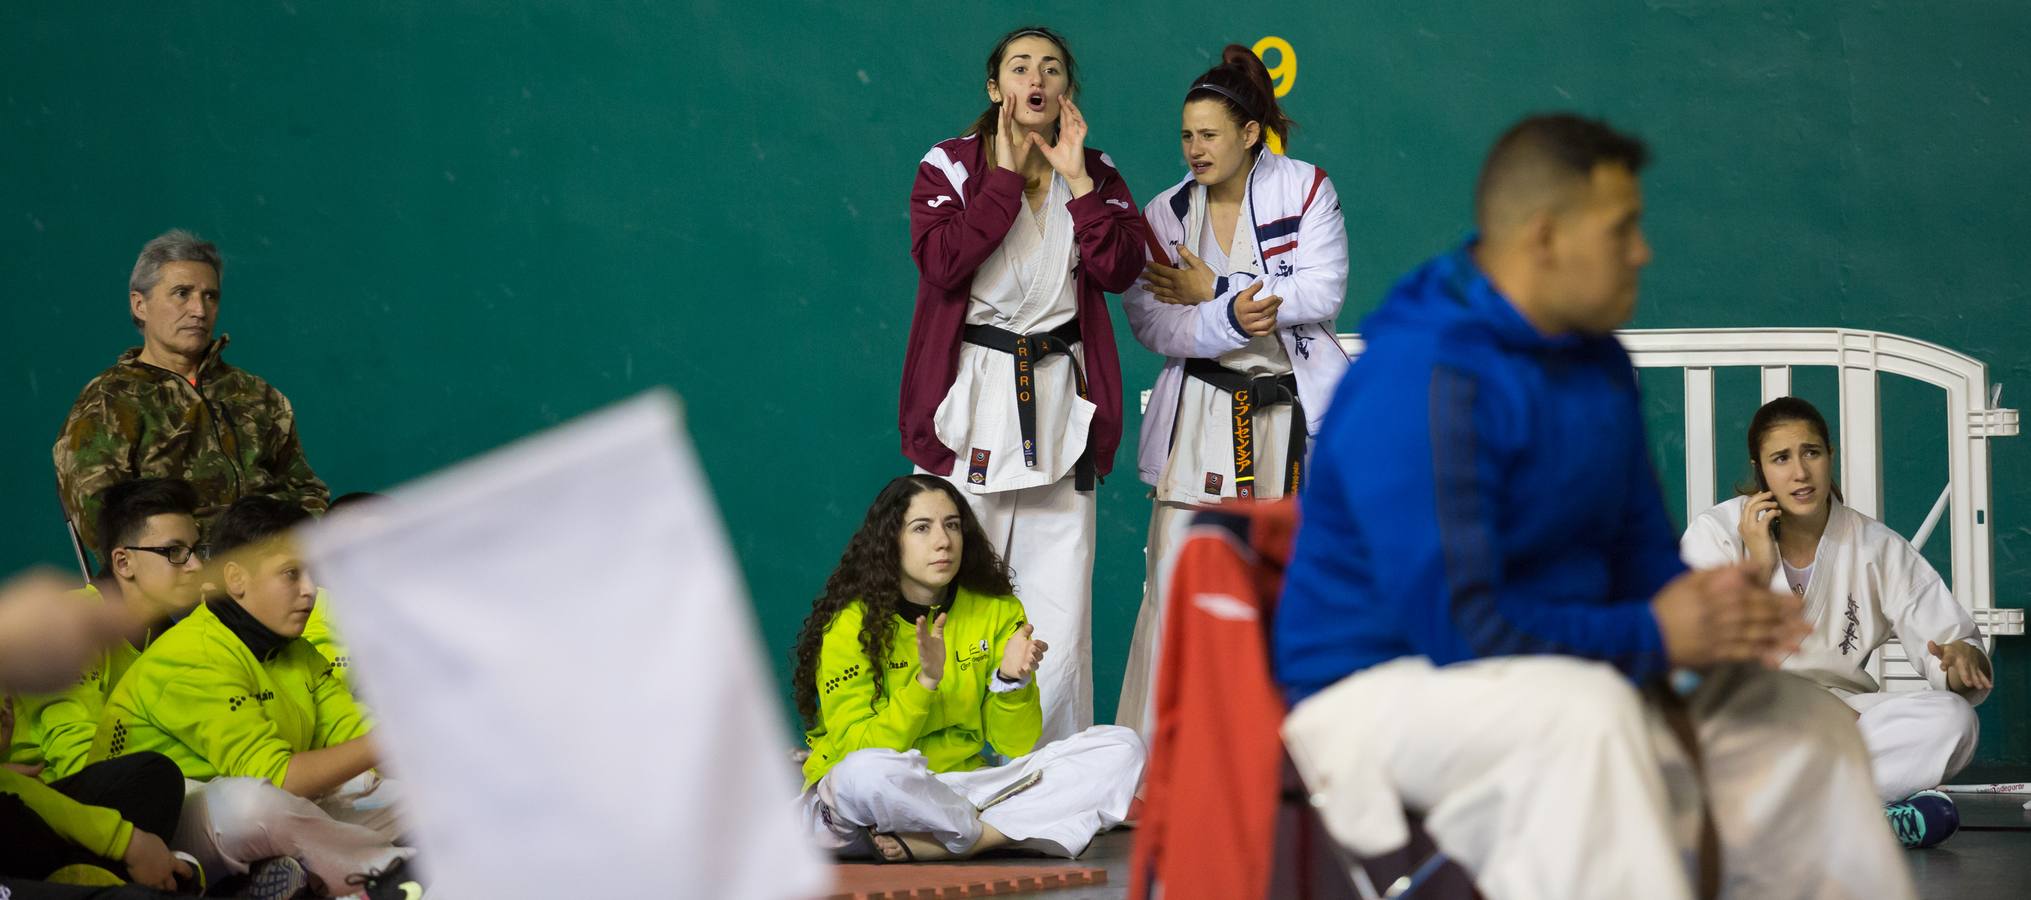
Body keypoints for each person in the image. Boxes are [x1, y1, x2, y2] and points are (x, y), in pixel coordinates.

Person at [1273, 113, 1915, 899]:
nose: (1641, 252)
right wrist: (1653, 632)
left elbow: (1641, 554)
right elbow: (1457, 626)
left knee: (1801, 722)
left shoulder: (1597, 362)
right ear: (1545, 237)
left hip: (1544, 666)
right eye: (1622, 230)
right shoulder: (1424, 376)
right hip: (1369, 694)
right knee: (1590, 719)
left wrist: (1708, 610)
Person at [898, 26, 1148, 742]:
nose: (1035, 78)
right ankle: (942, 763)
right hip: (968, 402)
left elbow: (1120, 269)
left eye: (1050, 68)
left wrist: (1076, 183)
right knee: (947, 588)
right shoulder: (948, 165)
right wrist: (1003, 180)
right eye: (1019, 66)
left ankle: (1050, 776)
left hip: (1059, 406)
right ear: (994, 86)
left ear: (1065, 90)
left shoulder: (1094, 171)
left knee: (1057, 610)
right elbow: (942, 262)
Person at [1116, 45, 1349, 738]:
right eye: (1186, 135)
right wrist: (1227, 316)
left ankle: (1288, 766)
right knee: (1174, 588)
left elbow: (1322, 290)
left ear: (1249, 134)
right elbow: (1153, 321)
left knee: (1285, 589)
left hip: (1286, 416)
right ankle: (1158, 777)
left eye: (1209, 134)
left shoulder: (1305, 187)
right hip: (1198, 415)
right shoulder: (1163, 213)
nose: (1194, 148)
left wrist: (1212, 291)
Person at [1681, 396, 1990, 847]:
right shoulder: (1717, 532)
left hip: (1840, 722)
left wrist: (1960, 662)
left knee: (1954, 721)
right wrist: (1758, 567)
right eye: (1781, 458)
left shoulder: (1875, 547)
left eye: (1811, 452)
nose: (1800, 473)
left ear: (1830, 456)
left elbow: (1948, 643)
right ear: (1760, 469)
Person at [794, 475, 1144, 862]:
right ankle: (989, 832)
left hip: (963, 788)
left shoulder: (995, 610)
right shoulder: (851, 625)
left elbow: (1014, 745)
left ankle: (969, 839)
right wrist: (924, 683)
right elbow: (856, 750)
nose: (943, 541)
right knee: (862, 773)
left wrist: (1012, 682)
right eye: (921, 528)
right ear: (890, 542)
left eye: (952, 525)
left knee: (1121, 748)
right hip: (872, 804)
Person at [90, 497, 418, 898]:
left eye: (312, 572)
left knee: (412, 793)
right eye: (290, 574)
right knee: (253, 805)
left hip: (278, 810)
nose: (310, 590)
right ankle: (386, 874)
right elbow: (278, 777)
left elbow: (353, 735)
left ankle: (287, 876)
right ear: (236, 579)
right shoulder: (190, 655)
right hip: (152, 840)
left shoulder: (295, 648)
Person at [54, 229, 329, 558]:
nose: (199, 310)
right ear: (140, 304)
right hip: (182, 583)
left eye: (210, 296)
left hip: (275, 573)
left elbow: (306, 490)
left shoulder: (256, 395)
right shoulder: (109, 401)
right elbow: (104, 519)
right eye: (182, 293)